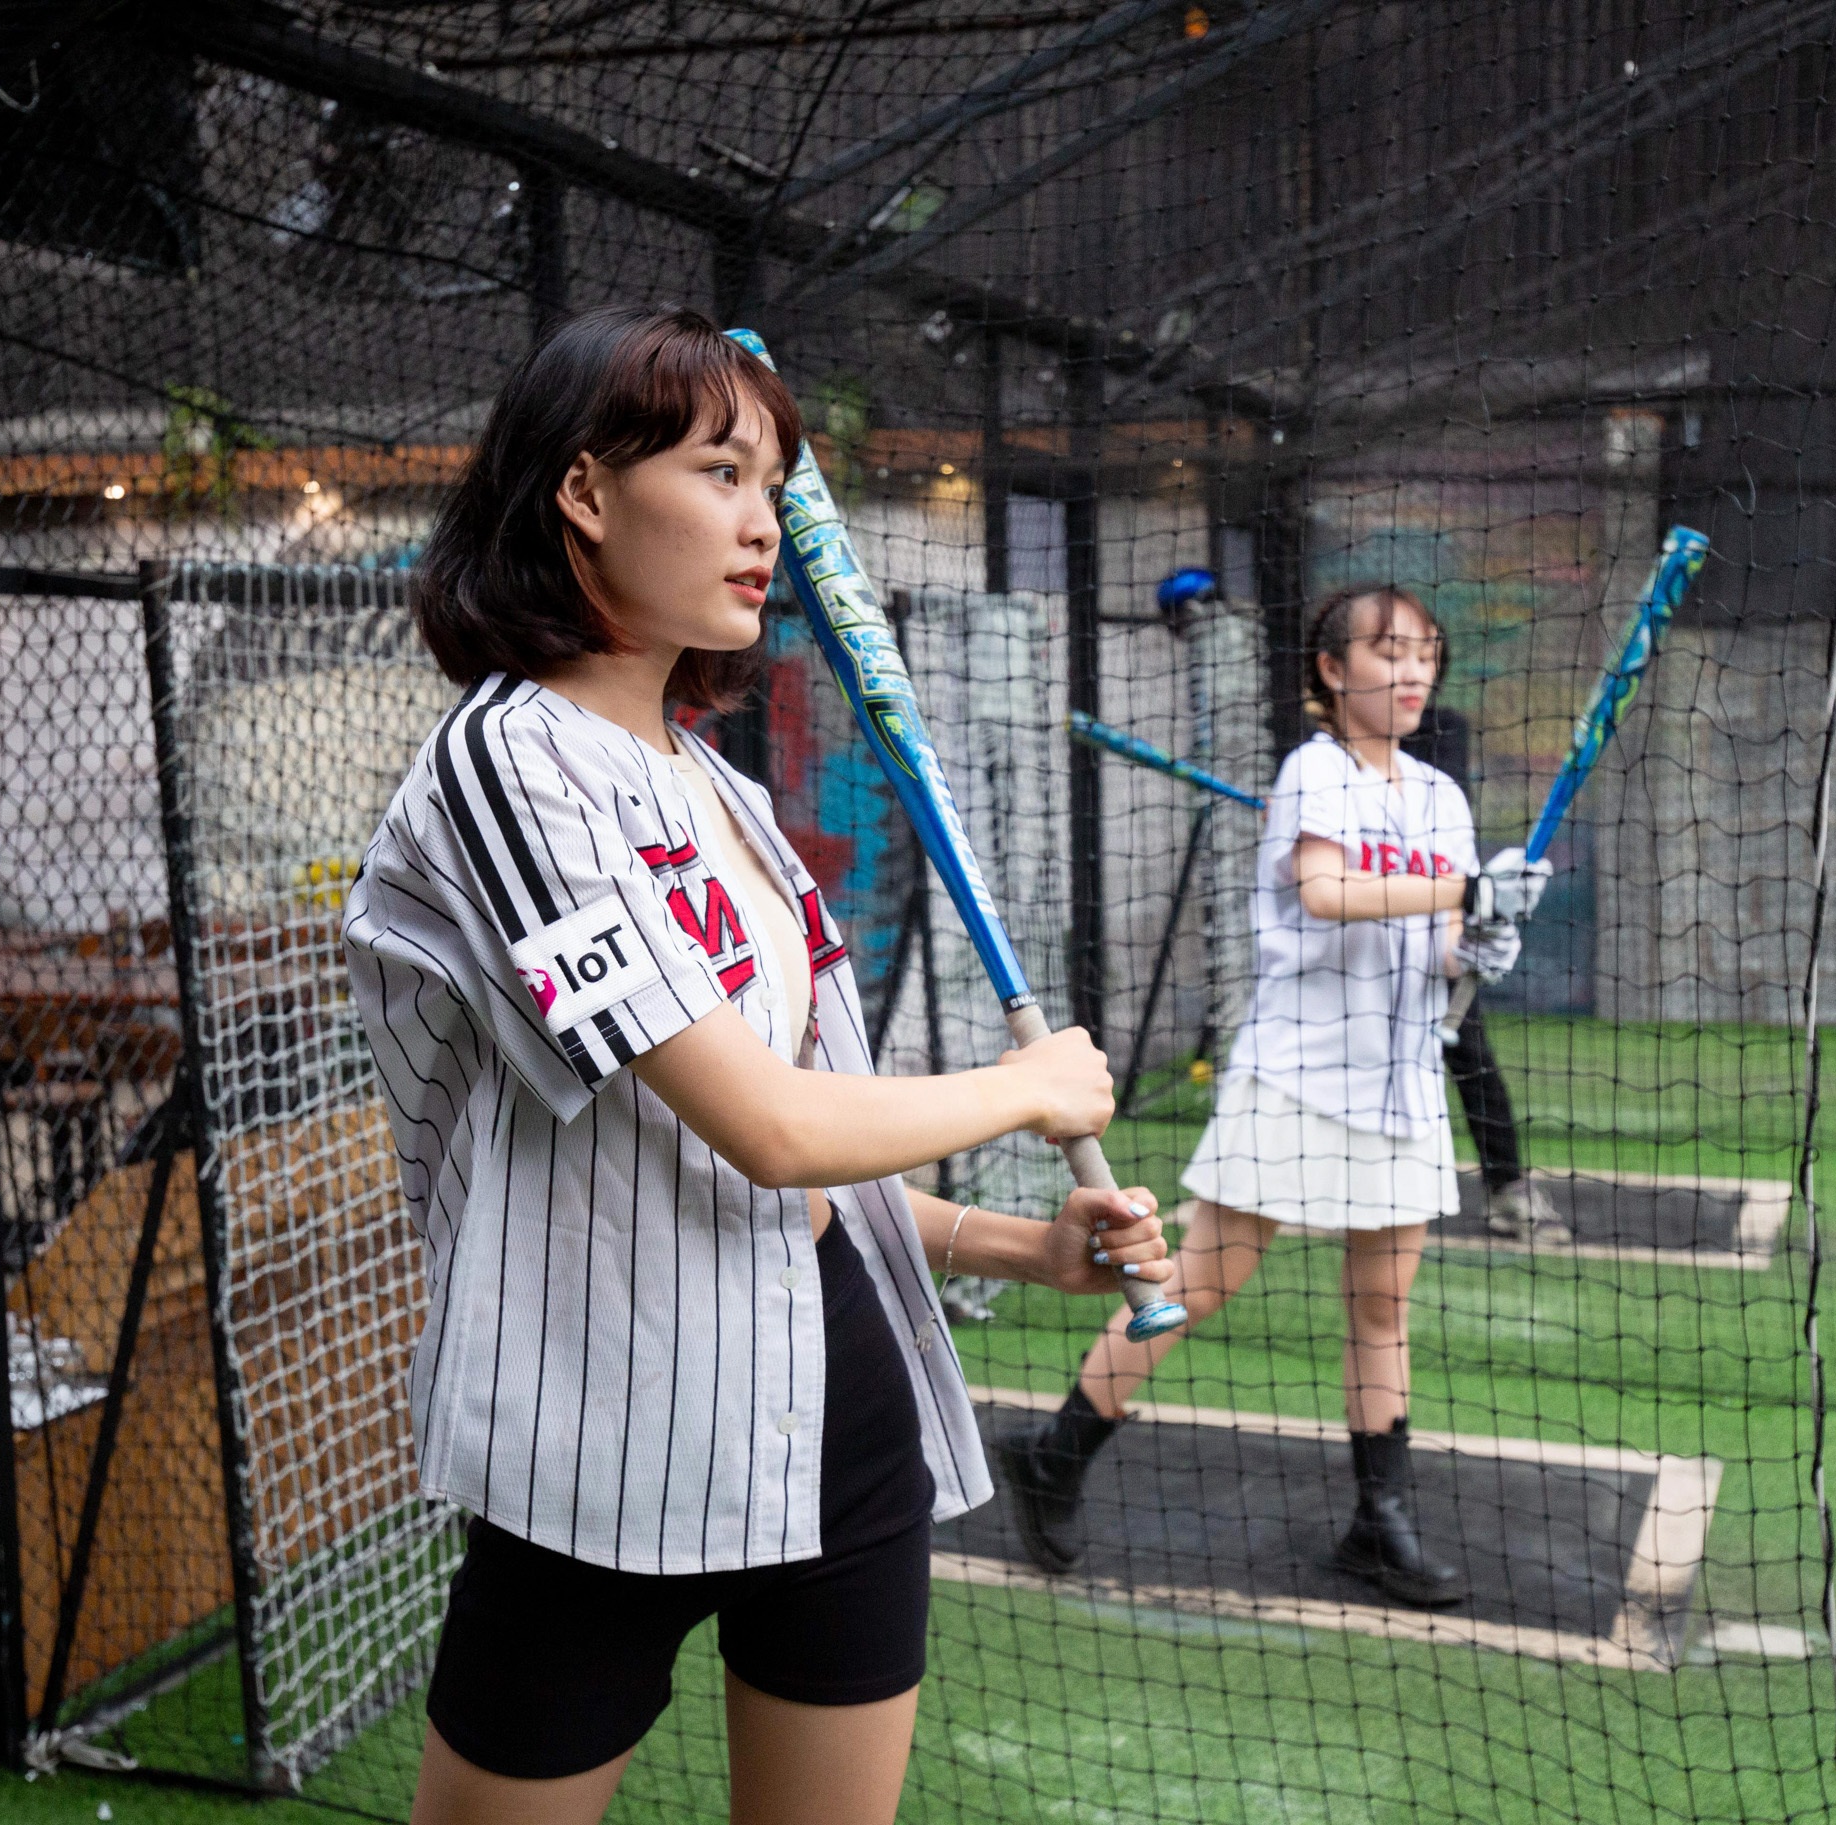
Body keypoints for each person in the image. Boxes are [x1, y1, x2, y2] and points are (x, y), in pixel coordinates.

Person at [341, 304, 1174, 1825]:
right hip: (607, 1432)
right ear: (585, 492)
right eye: (723, 472)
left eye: (774, 481)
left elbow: (780, 1184)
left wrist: (1016, 1242)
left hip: (836, 1402)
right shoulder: (503, 767)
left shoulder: (715, 787)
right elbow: (770, 1128)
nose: (765, 521)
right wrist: (1029, 1088)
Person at [996, 586, 1547, 1606]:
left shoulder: (1440, 799)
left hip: (1399, 1091)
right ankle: (1054, 1453)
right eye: (1387, 653)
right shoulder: (1312, 772)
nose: (1413, 671)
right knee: (1192, 1287)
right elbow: (1325, 894)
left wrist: (1481, 937)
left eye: (1425, 652)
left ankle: (1377, 1523)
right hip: (1295, 1078)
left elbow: (1436, 951)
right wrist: (1467, 893)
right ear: (1332, 672)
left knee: (1380, 1308)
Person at [1401, 703, 1570, 1247]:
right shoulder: (1327, 761)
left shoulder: (1441, 734)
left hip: (1433, 936)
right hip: (1358, 953)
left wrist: (1474, 939)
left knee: (1472, 1059)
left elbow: (1448, 863)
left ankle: (1507, 1190)